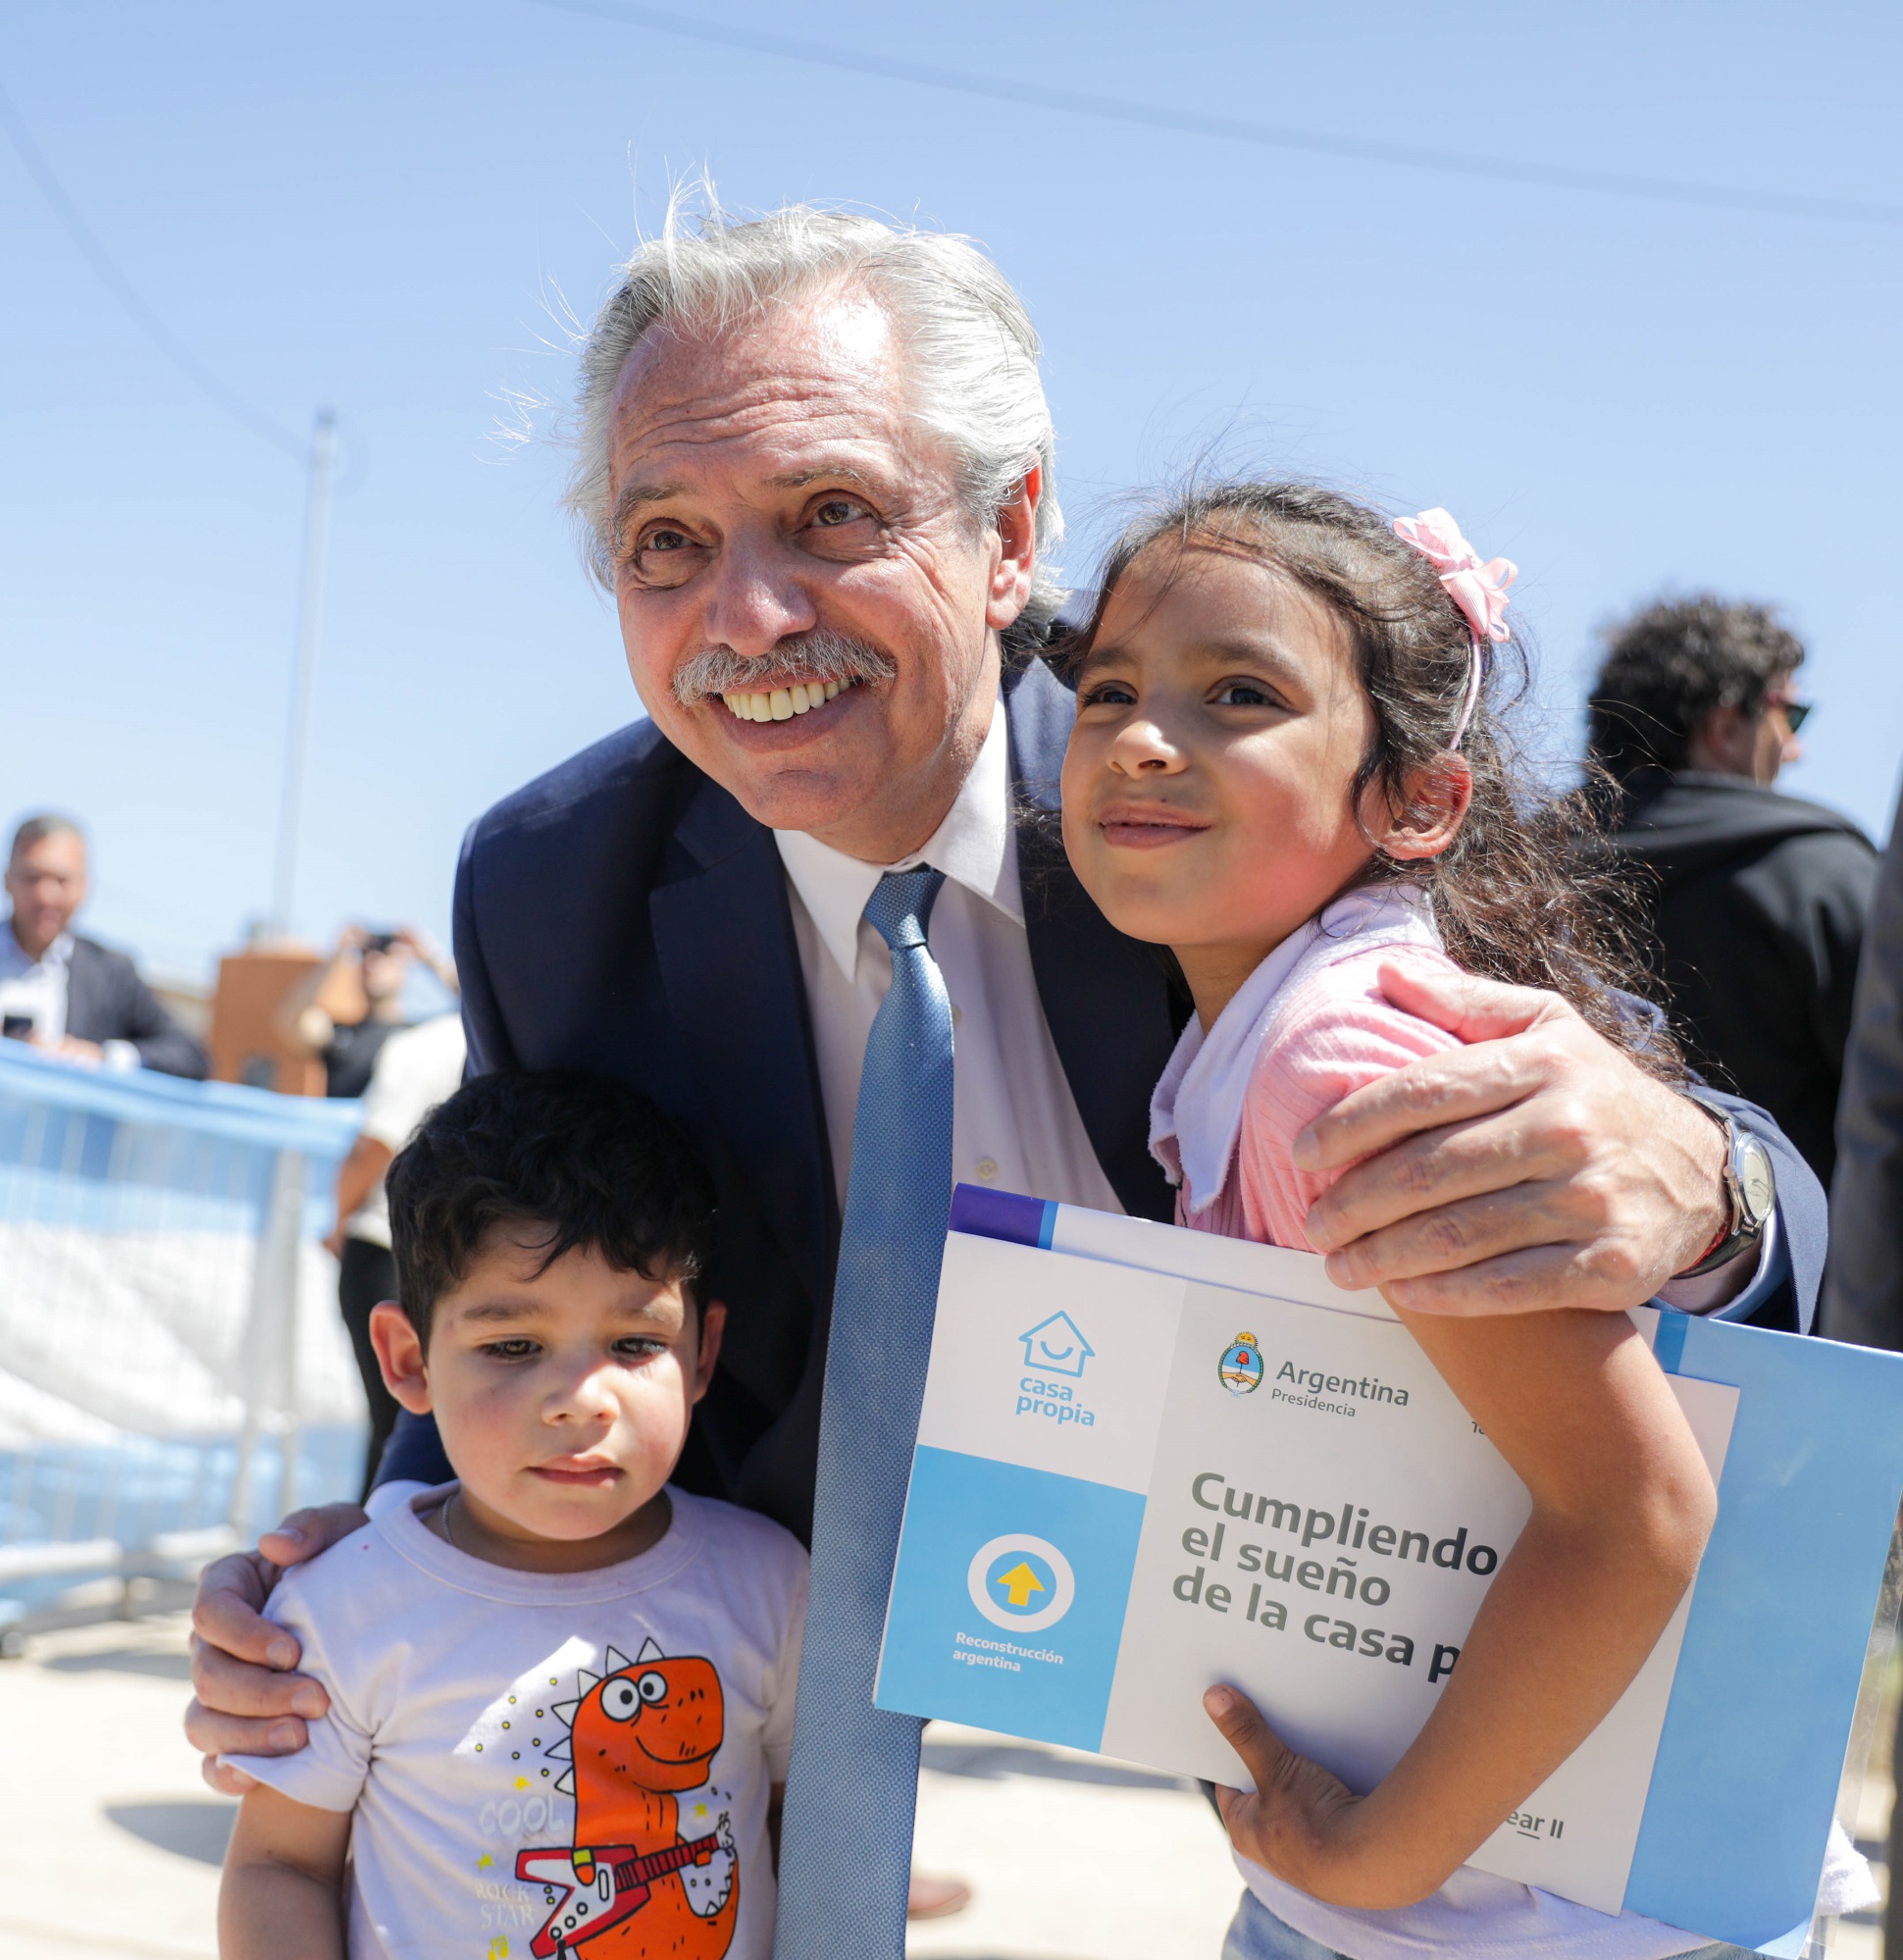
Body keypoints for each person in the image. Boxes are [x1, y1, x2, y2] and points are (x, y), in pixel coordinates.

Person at [183, 204, 1823, 1943]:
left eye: (830, 513)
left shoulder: (1225, 803)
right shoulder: (554, 887)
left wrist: (1695, 1184)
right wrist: (360, 1579)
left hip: (1474, 1776)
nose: (747, 613)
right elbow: (538, 1265)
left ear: (1010, 531)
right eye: (667, 541)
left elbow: (1718, 1208)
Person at [1057, 484, 1853, 1960]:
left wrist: (1373, 1851)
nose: (1144, 735)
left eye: (1240, 692)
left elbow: (1633, 1515)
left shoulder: (1335, 1062)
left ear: (1416, 799)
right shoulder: (1275, 1022)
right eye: (1110, 688)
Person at [218, 1069, 805, 1960]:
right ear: (407, 1359)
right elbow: (279, 1867)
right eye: (514, 1346)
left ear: (701, 1354)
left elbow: (802, 1832)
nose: (579, 1400)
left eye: (635, 1344)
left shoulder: (773, 1584)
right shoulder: (342, 1605)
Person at [1588, 596, 1877, 1189]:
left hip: (1537, 1267)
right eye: (1789, 716)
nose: (1794, 749)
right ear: (1724, 725)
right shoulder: (1818, 872)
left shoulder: (1503, 880)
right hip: (1793, 1273)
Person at [323, 1010, 468, 1497]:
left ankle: (377, 1547)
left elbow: (374, 1146)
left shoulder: (426, 1042)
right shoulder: (505, 1035)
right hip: (442, 1256)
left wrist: (337, 1223)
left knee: (402, 1425)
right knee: (414, 1422)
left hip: (389, 1247)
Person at [0, 812, 208, 1078]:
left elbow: (190, 1055)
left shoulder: (111, 973)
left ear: (84, 886)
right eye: (32, 877)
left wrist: (103, 1057)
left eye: (61, 880)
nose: (46, 895)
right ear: (7, 879)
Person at [279, 924, 457, 1100]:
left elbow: (477, 1007)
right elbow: (292, 1021)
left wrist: (430, 957)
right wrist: (336, 955)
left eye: (385, 954)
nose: (372, 961)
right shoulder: (341, 1033)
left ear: (405, 966)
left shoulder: (423, 1035)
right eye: (365, 954)